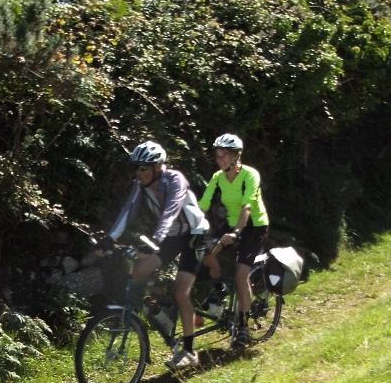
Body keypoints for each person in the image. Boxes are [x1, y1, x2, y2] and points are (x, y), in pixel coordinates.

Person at [95, 141, 209, 369]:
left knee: (180, 292)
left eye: (144, 168)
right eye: (137, 168)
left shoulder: (175, 179)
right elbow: (128, 210)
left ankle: (188, 350)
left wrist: (155, 240)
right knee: (138, 272)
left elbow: (171, 210)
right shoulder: (141, 185)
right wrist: (110, 238)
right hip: (172, 235)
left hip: (195, 233)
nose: (139, 173)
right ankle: (162, 312)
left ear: (158, 166)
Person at [198, 133, 269, 347]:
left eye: (224, 155)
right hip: (231, 224)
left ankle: (243, 328)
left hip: (254, 227)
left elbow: (247, 206)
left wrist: (236, 233)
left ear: (237, 156)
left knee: (240, 274)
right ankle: (219, 289)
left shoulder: (250, 175)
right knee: (205, 252)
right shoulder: (217, 177)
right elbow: (203, 204)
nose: (220, 160)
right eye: (217, 156)